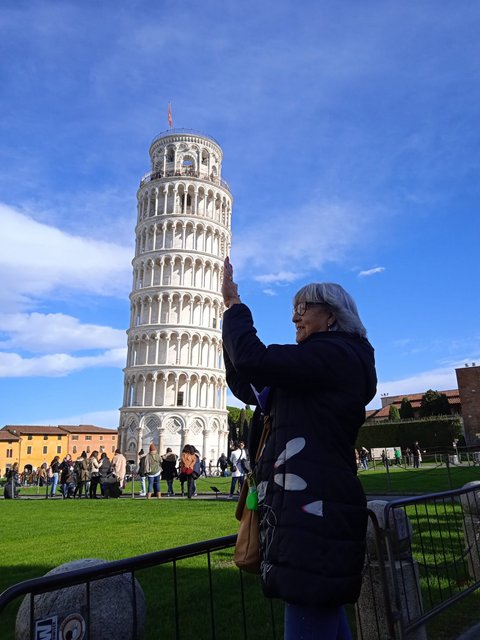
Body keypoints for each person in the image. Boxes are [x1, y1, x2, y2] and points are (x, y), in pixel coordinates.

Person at [221, 256, 377, 640]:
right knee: (322, 610)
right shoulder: (317, 368)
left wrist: (235, 307)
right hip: (310, 506)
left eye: (303, 308)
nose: (294, 317)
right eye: (293, 309)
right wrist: (230, 334)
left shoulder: (335, 355)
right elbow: (249, 382)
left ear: (333, 316)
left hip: (313, 511)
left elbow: (255, 359)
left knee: (309, 603)